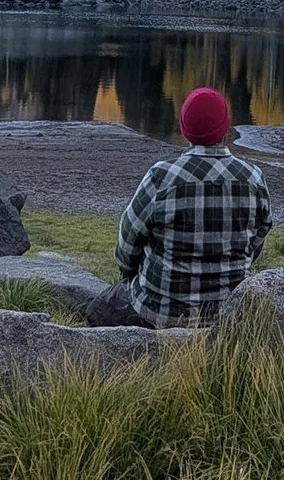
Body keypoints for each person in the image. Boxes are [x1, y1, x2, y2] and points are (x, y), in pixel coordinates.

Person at [84, 85, 272, 328]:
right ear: (225, 128)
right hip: (228, 311)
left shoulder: (161, 177)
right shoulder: (254, 178)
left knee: (97, 310)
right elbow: (257, 241)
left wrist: (131, 273)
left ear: (185, 129)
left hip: (158, 310)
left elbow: (127, 243)